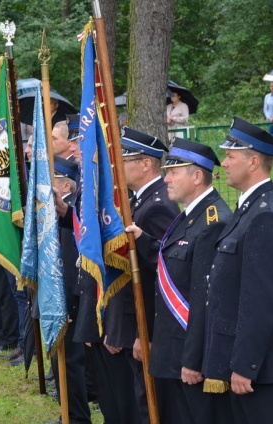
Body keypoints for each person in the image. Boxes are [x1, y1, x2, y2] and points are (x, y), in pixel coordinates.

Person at [126, 138, 232, 424]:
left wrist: (193, 360)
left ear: (196, 177)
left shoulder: (213, 222)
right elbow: (176, 266)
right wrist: (143, 240)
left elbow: (204, 299)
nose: (166, 179)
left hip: (188, 358)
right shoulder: (190, 215)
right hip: (172, 351)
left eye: (173, 172)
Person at [204, 116, 273, 424]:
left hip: (262, 371)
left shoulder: (265, 215)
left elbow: (262, 301)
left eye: (231, 156)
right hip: (248, 364)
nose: (224, 163)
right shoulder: (250, 207)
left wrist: (246, 365)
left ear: (254, 161)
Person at [104, 127, 180, 423]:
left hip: (145, 323)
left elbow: (159, 278)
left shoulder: (157, 207)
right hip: (131, 320)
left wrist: (144, 332)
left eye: (124, 161)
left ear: (146, 163)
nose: (118, 168)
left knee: (148, 404)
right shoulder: (140, 201)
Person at [50, 155, 92, 424]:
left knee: (70, 363)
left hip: (69, 299)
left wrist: (64, 301)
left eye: (51, 179)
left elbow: (69, 261)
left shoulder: (72, 211)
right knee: (59, 362)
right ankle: (67, 413)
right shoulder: (54, 211)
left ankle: (76, 417)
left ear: (66, 185)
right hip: (56, 296)